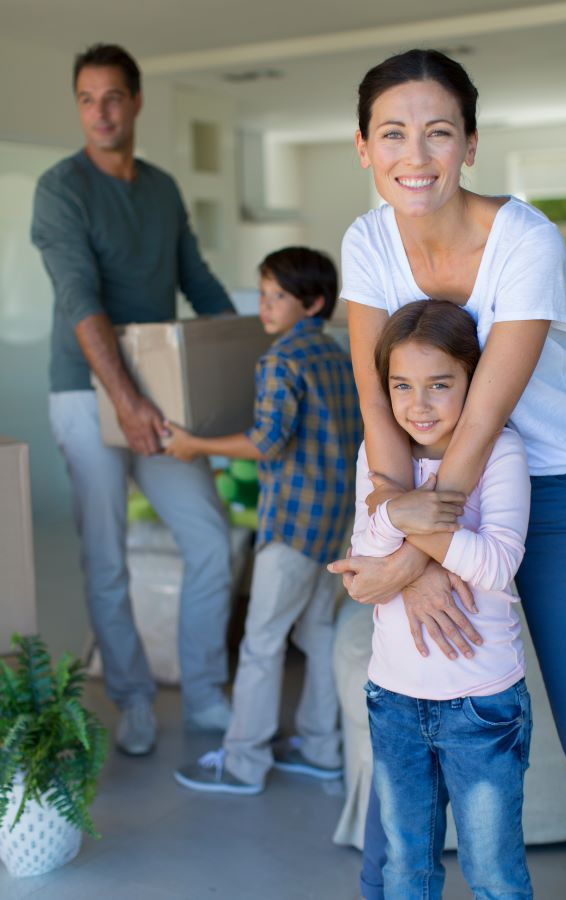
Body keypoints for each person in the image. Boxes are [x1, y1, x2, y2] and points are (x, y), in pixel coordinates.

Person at [326, 48, 566, 894]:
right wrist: (394, 521)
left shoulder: (525, 239)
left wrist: (413, 557)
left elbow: (482, 420)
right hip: (416, 489)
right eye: (394, 134)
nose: (417, 156)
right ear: (364, 148)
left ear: (470, 145)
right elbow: (379, 403)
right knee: (403, 715)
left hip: (554, 486)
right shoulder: (368, 240)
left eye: (439, 133)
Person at [31, 44, 235, 756]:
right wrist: (122, 398)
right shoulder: (61, 189)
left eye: (112, 97)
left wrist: (259, 351)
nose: (100, 113)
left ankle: (207, 693)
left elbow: (199, 284)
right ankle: (134, 697)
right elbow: (80, 300)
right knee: (106, 554)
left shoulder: (162, 189)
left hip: (161, 389)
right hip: (85, 392)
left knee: (209, 539)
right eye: (86, 99)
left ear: (137, 101)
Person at [164, 247, 362, 793]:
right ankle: (323, 748)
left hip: (293, 523)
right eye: (264, 293)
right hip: (336, 522)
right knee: (318, 631)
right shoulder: (338, 355)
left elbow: (267, 441)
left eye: (278, 296)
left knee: (262, 642)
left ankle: (245, 761)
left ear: (314, 302)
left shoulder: (280, 361)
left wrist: (193, 444)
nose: (265, 306)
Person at [355, 299, 532, 898]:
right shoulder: (377, 455)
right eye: (402, 386)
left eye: (439, 384)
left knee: (493, 874)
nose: (419, 405)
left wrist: (400, 515)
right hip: (394, 700)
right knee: (406, 869)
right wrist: (398, 513)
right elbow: (363, 562)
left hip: (481, 705)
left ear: (474, 380)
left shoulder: (501, 451)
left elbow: (497, 563)